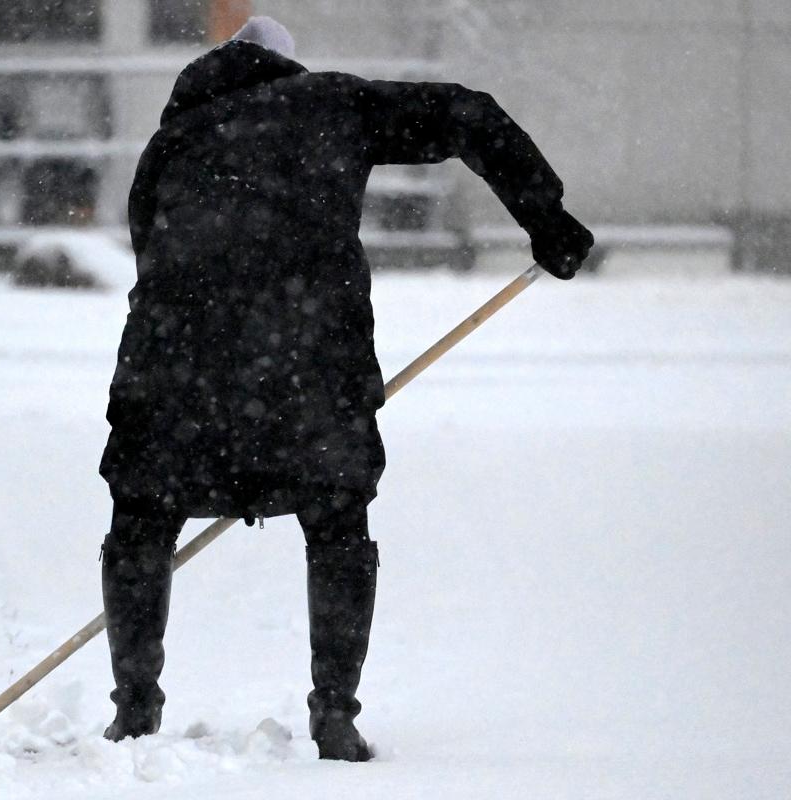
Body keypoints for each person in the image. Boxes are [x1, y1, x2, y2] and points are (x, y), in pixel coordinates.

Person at [97, 16, 594, 761]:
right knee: (336, 523)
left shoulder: (171, 143)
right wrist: (543, 214)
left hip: (175, 368)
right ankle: (335, 713)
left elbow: (151, 257)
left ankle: (134, 709)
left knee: (141, 519)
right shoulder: (332, 104)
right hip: (310, 361)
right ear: (284, 68)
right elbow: (468, 114)